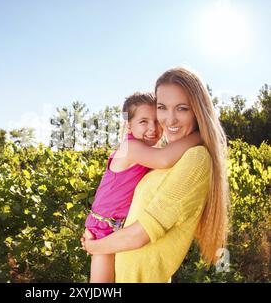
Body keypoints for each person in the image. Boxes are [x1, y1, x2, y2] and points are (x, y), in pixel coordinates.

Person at [81, 67, 229, 283]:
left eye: (182, 108)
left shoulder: (196, 158)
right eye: (162, 108)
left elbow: (141, 234)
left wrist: (93, 246)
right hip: (107, 234)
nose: (169, 120)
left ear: (198, 111)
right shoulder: (153, 153)